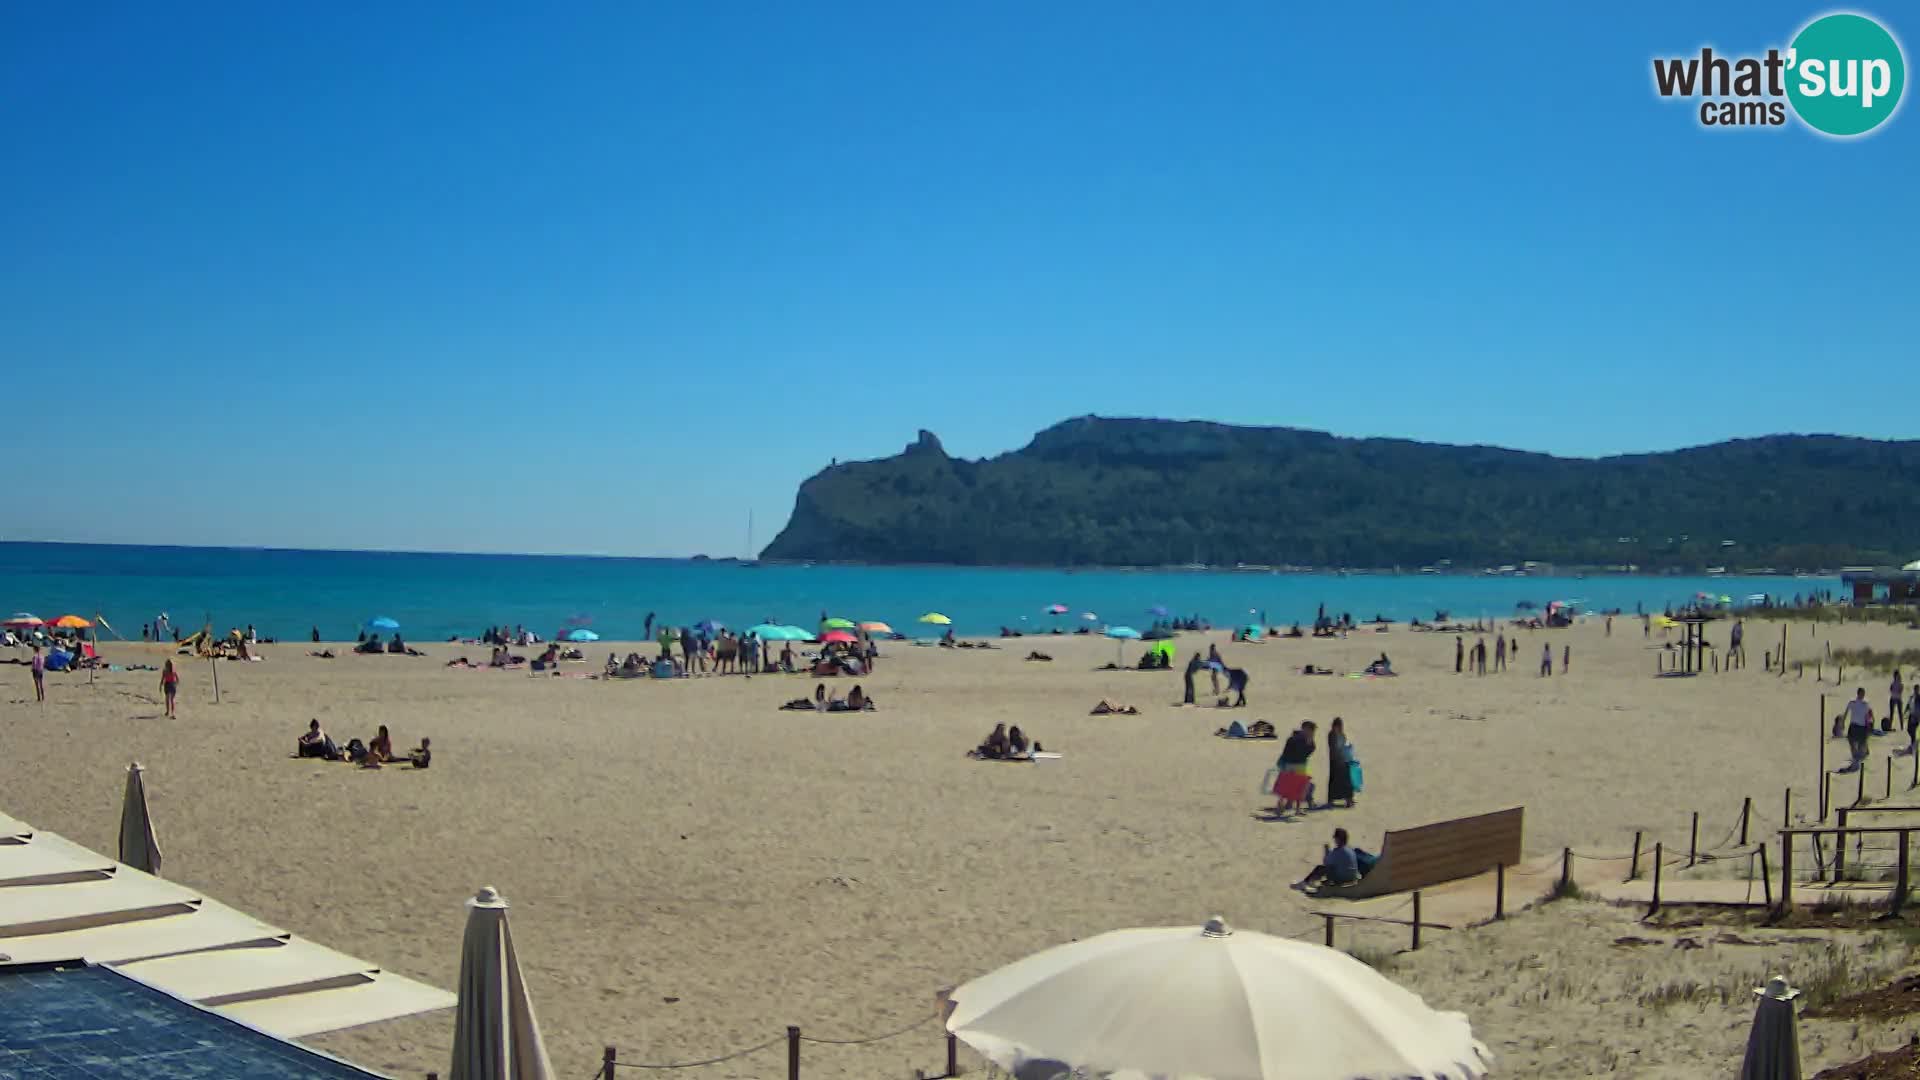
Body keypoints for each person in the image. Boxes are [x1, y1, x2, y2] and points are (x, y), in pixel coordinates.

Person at [1296, 828, 1360, 889]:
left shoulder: (1338, 851)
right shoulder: (1350, 849)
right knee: (1333, 867)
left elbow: (1326, 863)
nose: (1334, 840)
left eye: (1335, 838)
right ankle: (1312, 882)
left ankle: (1305, 883)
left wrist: (1326, 850)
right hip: (1352, 877)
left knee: (1320, 868)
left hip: (1343, 878)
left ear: (1338, 839)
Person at [1275, 721, 1317, 812]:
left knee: (1300, 787)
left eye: (1313, 731)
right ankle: (1282, 805)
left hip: (1301, 765)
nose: (1312, 733)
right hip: (1291, 765)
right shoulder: (1294, 739)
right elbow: (1288, 752)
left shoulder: (1309, 740)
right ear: (1305, 729)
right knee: (1287, 787)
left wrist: (1309, 743)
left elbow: (1310, 751)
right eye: (1311, 730)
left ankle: (1296, 808)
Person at [1843, 688, 1875, 772]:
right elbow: (1846, 713)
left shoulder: (1864, 703)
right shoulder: (1854, 702)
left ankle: (1857, 762)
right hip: (1856, 726)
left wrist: (1870, 726)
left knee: (1859, 745)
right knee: (1854, 744)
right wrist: (1843, 722)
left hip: (1859, 727)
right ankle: (1856, 761)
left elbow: (1869, 715)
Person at [1891, 670, 1906, 734]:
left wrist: (1898, 686)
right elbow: (1891, 689)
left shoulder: (1900, 683)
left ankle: (1902, 727)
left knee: (1900, 713)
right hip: (1894, 698)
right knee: (1892, 713)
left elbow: (1900, 690)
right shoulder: (1893, 683)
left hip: (1898, 699)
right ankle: (1890, 726)